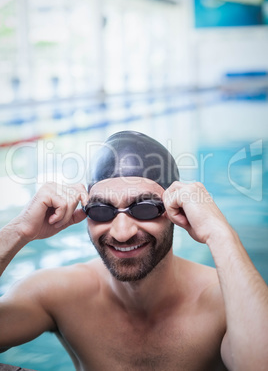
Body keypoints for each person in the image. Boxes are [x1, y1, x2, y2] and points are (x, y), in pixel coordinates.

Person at [0, 130, 267, 371]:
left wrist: (219, 233)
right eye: (102, 211)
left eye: (144, 208)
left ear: (177, 210)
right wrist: (20, 230)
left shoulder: (224, 303)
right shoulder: (59, 294)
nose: (122, 232)